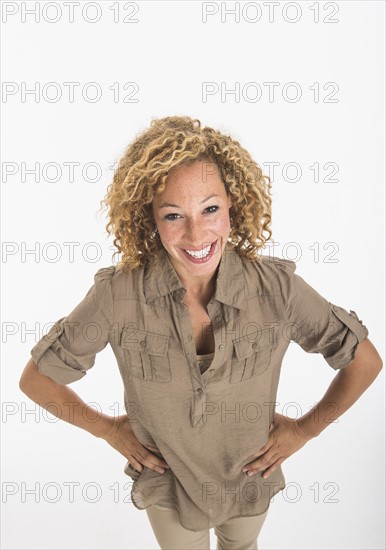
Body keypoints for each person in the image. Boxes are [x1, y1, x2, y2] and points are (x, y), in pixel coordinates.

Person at [19, 115, 383, 550]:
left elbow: (364, 360)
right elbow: (37, 379)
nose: (196, 233)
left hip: (251, 481)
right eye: (174, 215)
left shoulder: (278, 289)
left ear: (234, 204)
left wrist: (304, 431)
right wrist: (109, 431)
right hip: (169, 487)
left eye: (210, 209)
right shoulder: (118, 295)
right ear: (149, 219)